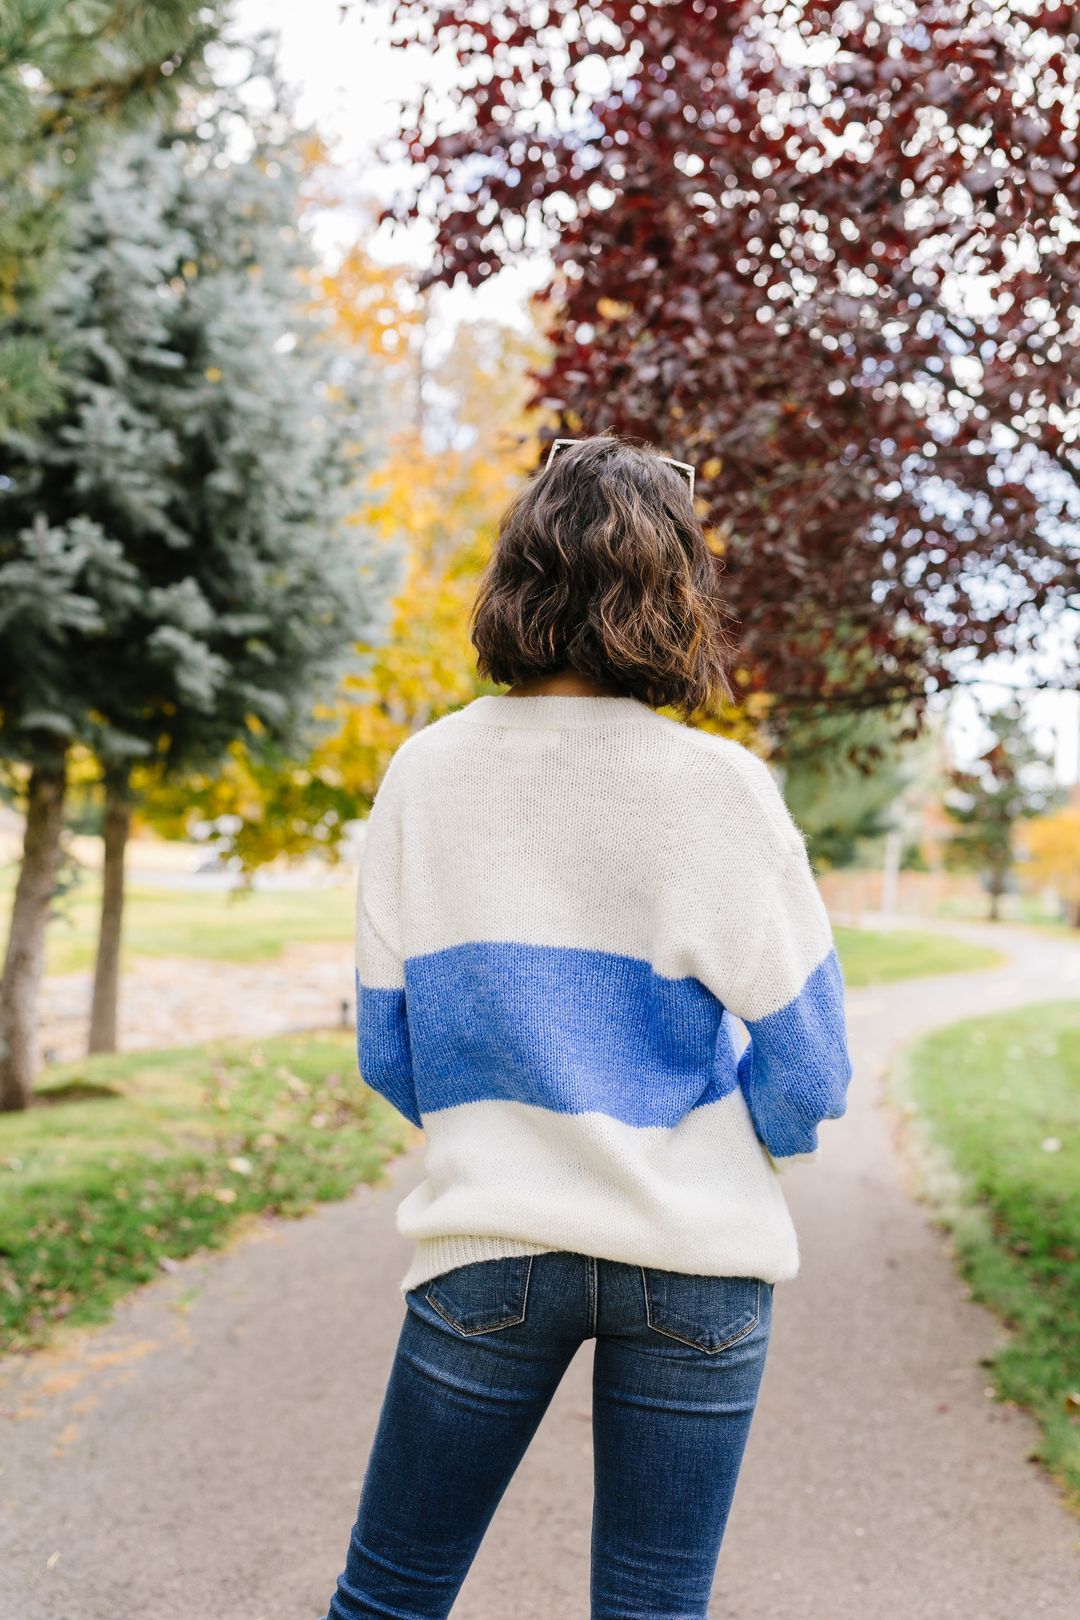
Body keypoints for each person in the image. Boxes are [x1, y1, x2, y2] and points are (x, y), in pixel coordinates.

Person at [322, 433, 853, 1620]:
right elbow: (812, 1066)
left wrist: (505, 1133)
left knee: (389, 1600)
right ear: (678, 590)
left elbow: (389, 1048)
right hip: (700, 1259)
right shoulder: (721, 789)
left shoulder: (427, 772)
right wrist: (749, 1145)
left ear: (518, 573)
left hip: (491, 1245)